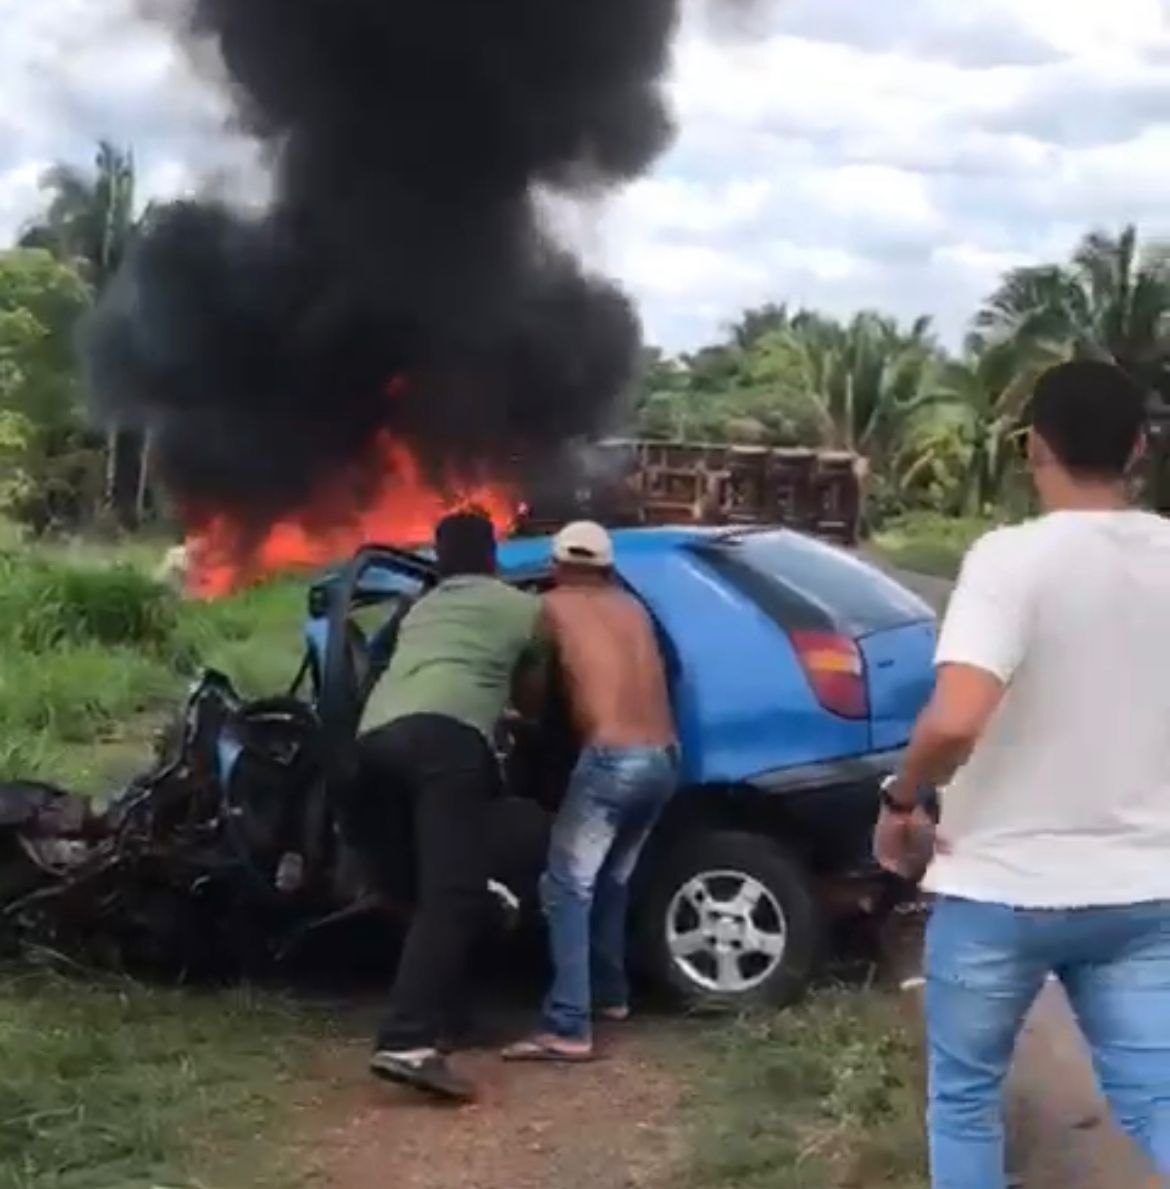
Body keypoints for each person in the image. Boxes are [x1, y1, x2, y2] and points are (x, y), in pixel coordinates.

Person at [873, 360, 1170, 1187]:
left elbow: (957, 716)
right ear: (1139, 447)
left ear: (1033, 445)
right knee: (1159, 1097)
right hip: (1145, 892)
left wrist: (902, 799)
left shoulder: (1010, 558)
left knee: (965, 1101)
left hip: (1001, 890)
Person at [359, 510, 544, 1102]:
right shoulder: (522, 609)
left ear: (440, 560)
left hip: (375, 742)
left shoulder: (418, 606)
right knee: (454, 893)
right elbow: (535, 699)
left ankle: (451, 1016)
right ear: (494, 556)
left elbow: (375, 662)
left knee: (428, 886)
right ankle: (406, 1041)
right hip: (446, 742)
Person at [504, 521, 678, 1063]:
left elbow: (532, 693)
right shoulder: (634, 608)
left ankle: (568, 1024)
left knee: (565, 887)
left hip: (611, 759)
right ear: (607, 567)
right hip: (665, 758)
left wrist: (519, 715)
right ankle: (610, 995)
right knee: (611, 878)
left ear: (556, 565)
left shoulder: (550, 609)